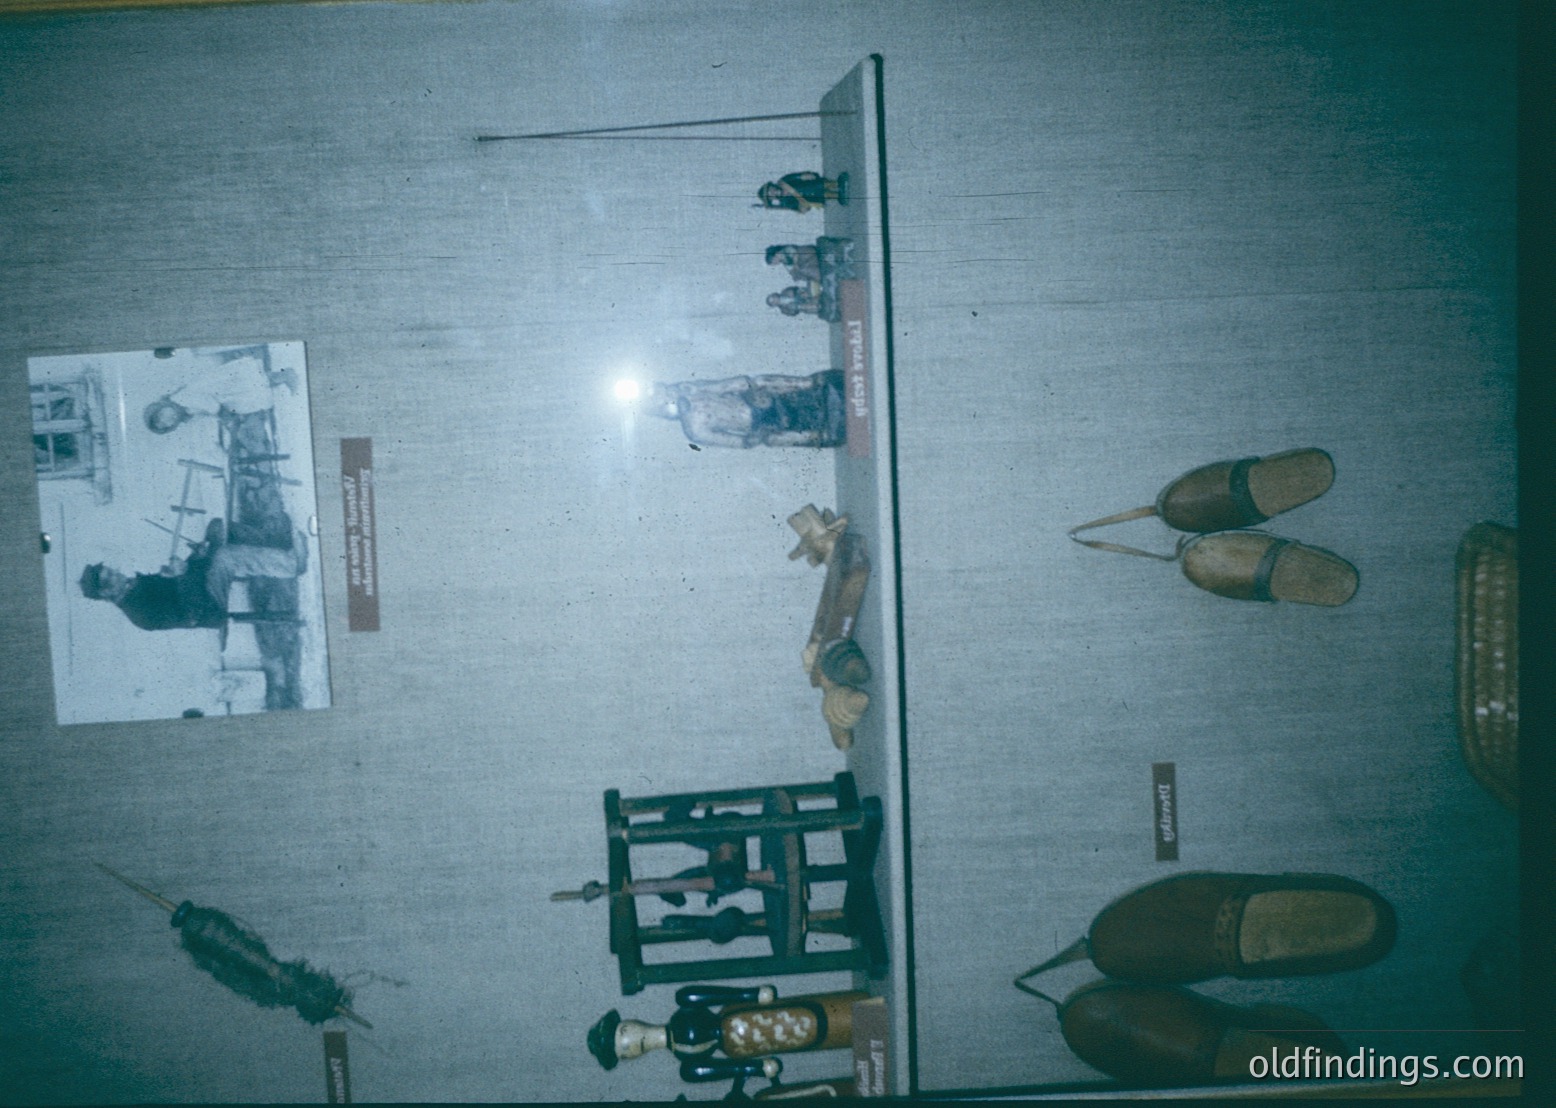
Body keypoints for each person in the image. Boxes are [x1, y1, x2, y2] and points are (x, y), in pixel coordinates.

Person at [79, 519, 307, 631]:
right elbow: (192, 612)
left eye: (112, 570)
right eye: (111, 577)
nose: (118, 573)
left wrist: (196, 557)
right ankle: (291, 564)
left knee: (216, 529)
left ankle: (276, 548)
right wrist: (182, 575)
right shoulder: (139, 613)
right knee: (225, 557)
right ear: (107, 592)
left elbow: (180, 581)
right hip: (210, 608)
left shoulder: (134, 585)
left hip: (201, 590)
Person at [645, 371, 846, 448]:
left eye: (667, 389)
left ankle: (811, 383)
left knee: (762, 381)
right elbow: (735, 441)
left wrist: (748, 387)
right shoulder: (694, 429)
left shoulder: (691, 389)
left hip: (753, 400)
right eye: (665, 394)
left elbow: (724, 385)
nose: (671, 392)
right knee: (772, 439)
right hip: (757, 423)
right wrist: (756, 436)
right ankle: (818, 435)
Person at [143, 349, 298, 435]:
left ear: (163, 405)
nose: (169, 418)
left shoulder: (179, 398)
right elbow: (206, 412)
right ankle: (282, 379)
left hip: (220, 386)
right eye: (166, 424)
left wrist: (221, 414)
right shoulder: (185, 412)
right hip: (223, 393)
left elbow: (206, 402)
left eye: (163, 415)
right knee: (251, 390)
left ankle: (285, 375)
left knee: (251, 381)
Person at [757, 171, 847, 213]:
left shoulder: (784, 181)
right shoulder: (786, 202)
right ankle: (837, 195)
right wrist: (803, 206)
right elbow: (801, 209)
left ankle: (836, 184)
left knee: (824, 184)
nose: (772, 193)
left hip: (813, 185)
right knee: (825, 195)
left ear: (772, 186)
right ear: (772, 199)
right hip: (814, 197)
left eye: (770, 190)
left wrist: (804, 176)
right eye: (770, 195)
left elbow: (796, 176)